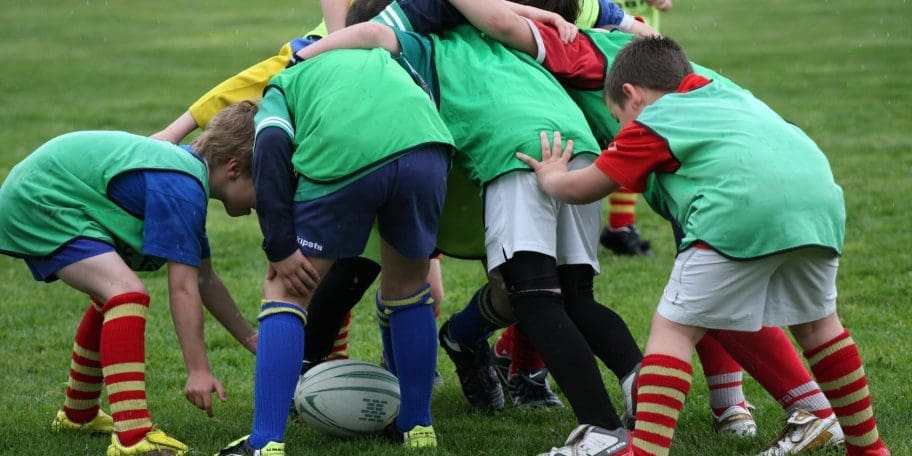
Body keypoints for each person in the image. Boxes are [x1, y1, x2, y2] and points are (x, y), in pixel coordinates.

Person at [294, 0, 645, 450]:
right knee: (576, 295)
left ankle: (601, 430)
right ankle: (642, 384)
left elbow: (370, 37)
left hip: (517, 153)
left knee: (534, 298)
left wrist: (305, 55)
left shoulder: (419, 47)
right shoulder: (506, 35)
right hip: (575, 147)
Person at [517, 35, 890, 456]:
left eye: (616, 117)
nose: (621, 128)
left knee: (674, 327)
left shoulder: (655, 121)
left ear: (631, 95)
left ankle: (646, 450)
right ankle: (869, 448)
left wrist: (551, 176)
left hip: (737, 212)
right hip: (818, 208)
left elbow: (584, 188)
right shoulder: (730, 94)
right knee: (820, 325)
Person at [215, 41, 454, 455]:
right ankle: (417, 428)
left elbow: (270, 143)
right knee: (407, 290)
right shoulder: (383, 62)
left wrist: (280, 245)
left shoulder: (282, 86)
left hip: (348, 148)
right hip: (428, 149)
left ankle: (265, 442)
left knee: (284, 292)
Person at [0, 103, 260, 456]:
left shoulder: (184, 175)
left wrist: (250, 337)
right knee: (126, 293)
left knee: (113, 294)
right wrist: (199, 370)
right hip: (42, 199)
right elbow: (182, 288)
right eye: (267, 185)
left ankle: (79, 412)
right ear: (234, 168)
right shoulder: (182, 188)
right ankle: (133, 436)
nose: (268, 201)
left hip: (47, 193)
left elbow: (204, 279)